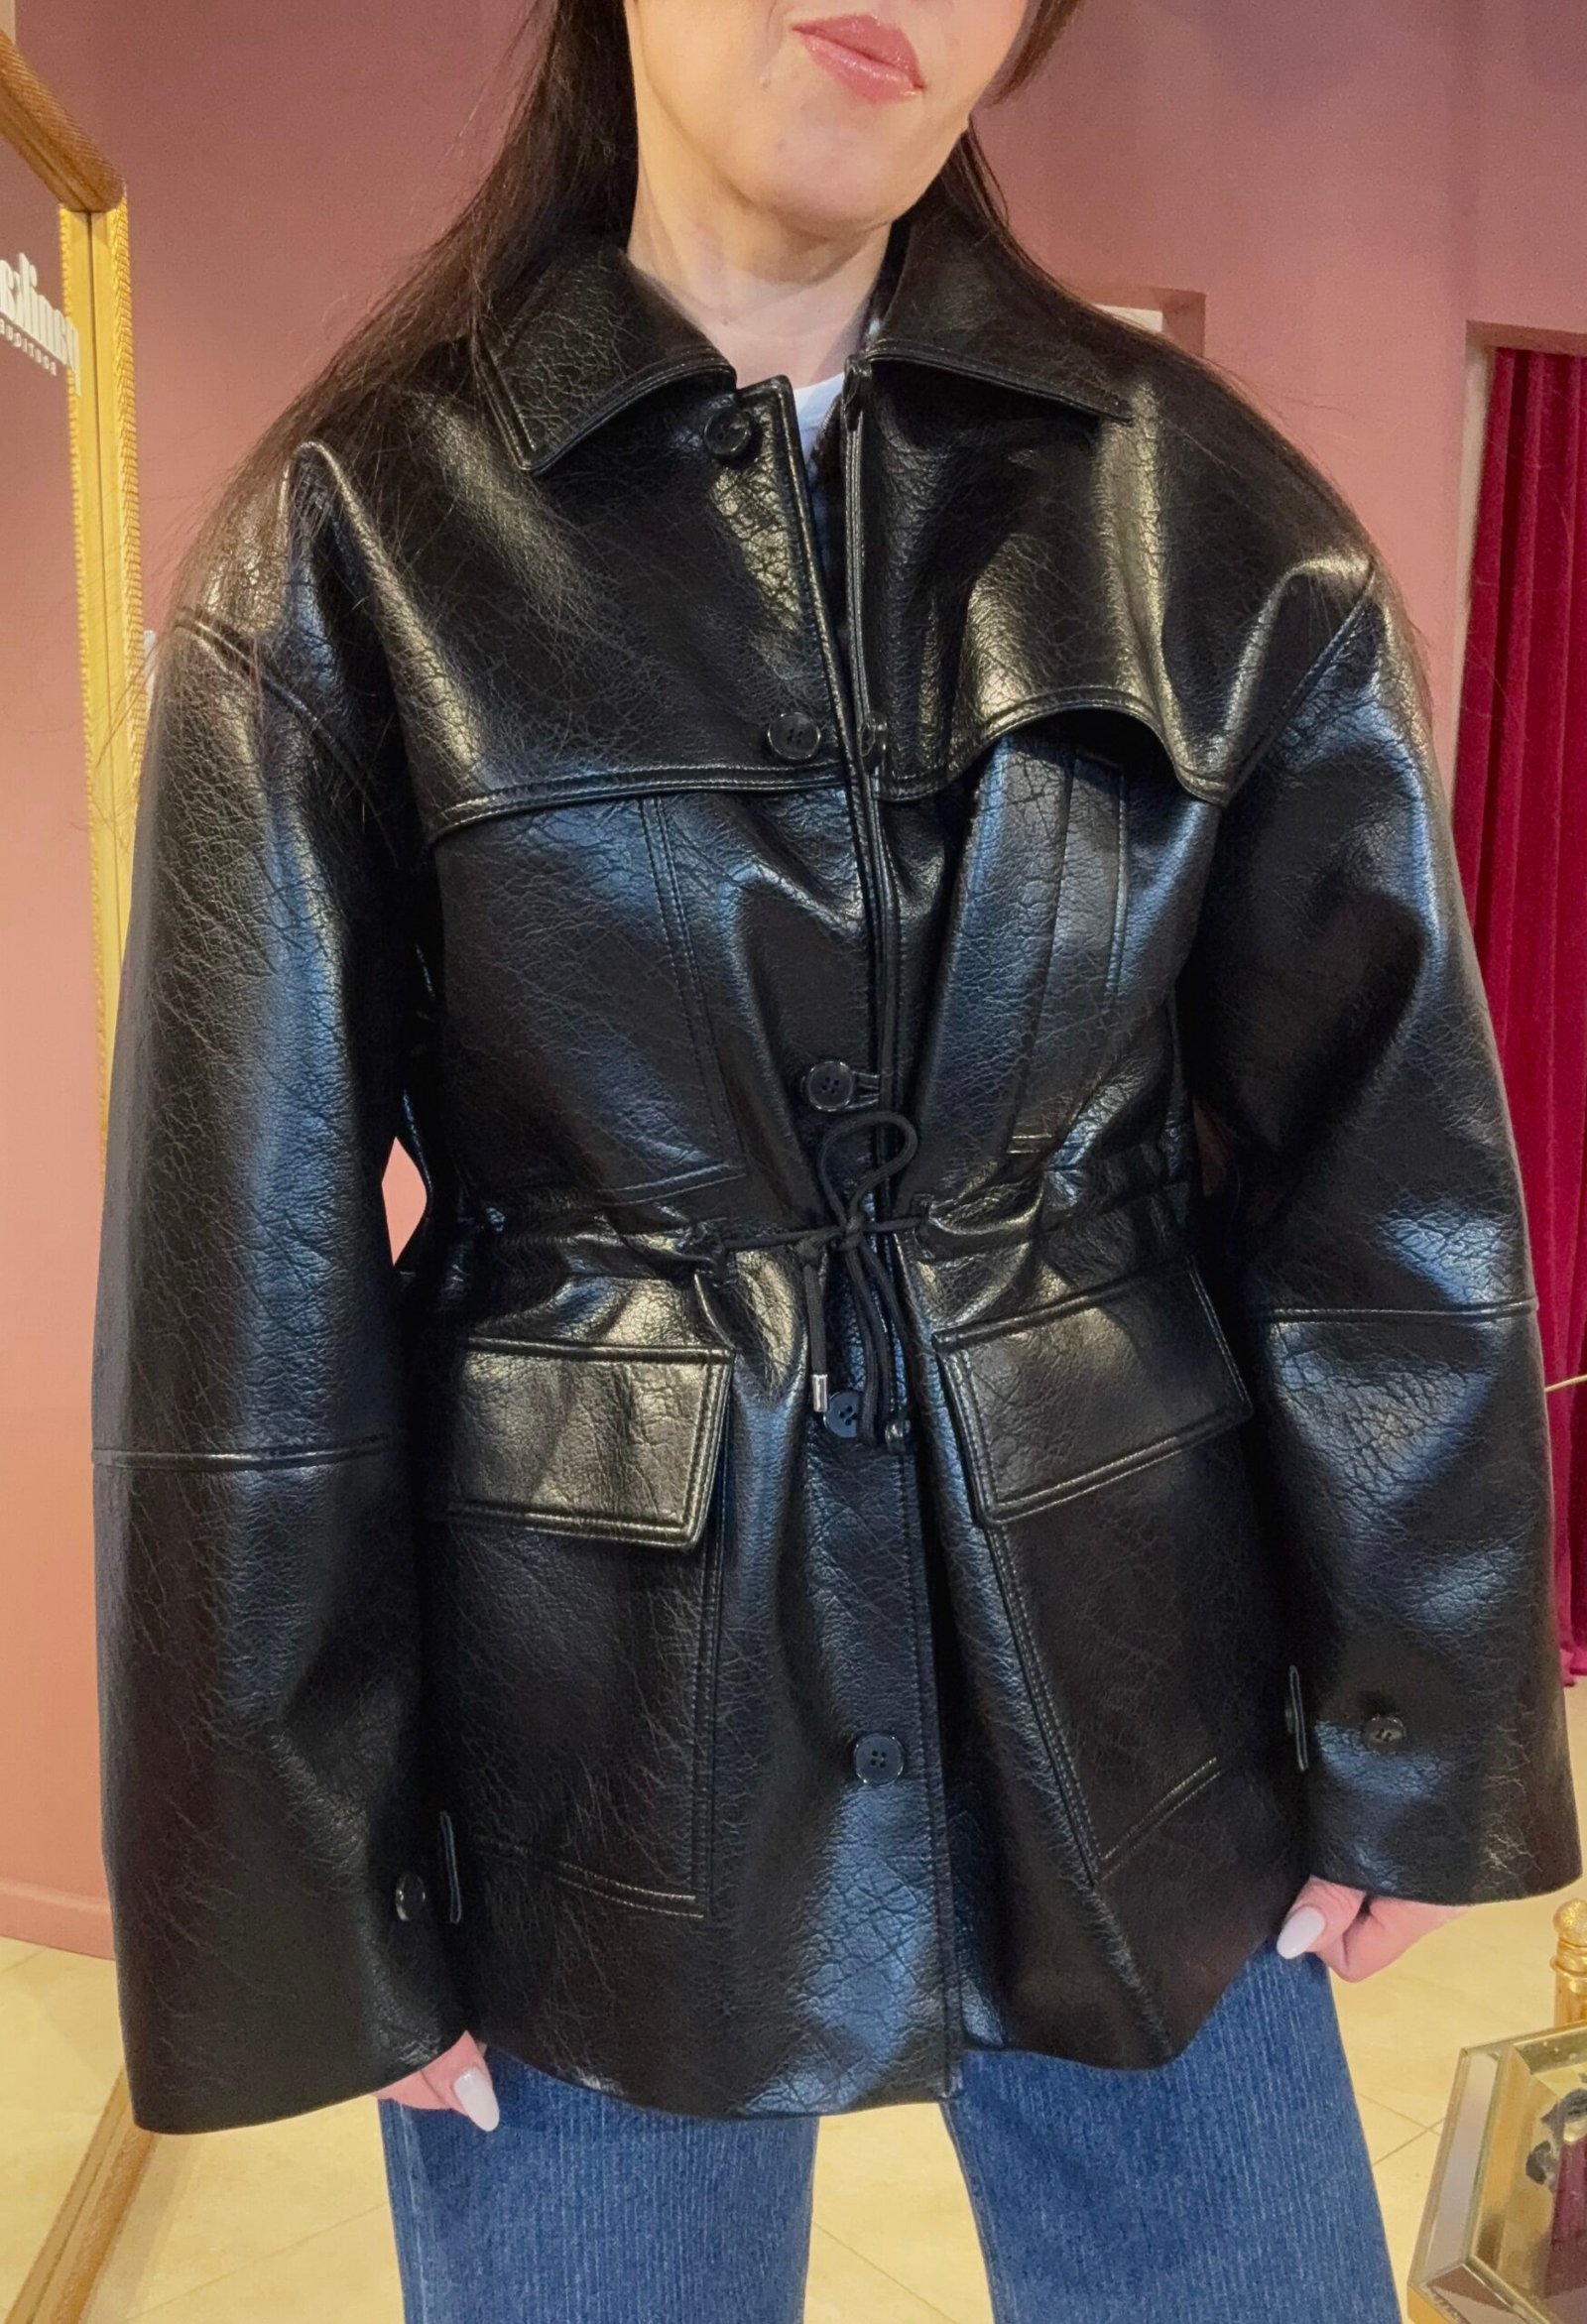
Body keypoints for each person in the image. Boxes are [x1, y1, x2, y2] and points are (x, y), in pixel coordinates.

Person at [89, 2, 1580, 2319]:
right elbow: (238, 1292)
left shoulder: (1204, 519)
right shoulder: (352, 543)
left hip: (1134, 1659)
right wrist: (312, 1889)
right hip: (588, 1725)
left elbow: (1377, 1170)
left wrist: (1411, 1715)